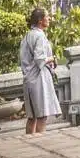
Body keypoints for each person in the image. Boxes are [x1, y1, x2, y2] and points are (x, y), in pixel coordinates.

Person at [20, 7, 61, 135]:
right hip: (38, 79)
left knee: (32, 117)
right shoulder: (39, 36)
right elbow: (39, 59)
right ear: (40, 20)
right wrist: (52, 58)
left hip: (29, 79)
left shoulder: (28, 35)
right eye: (47, 16)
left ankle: (29, 143)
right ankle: (40, 141)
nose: (49, 18)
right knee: (42, 115)